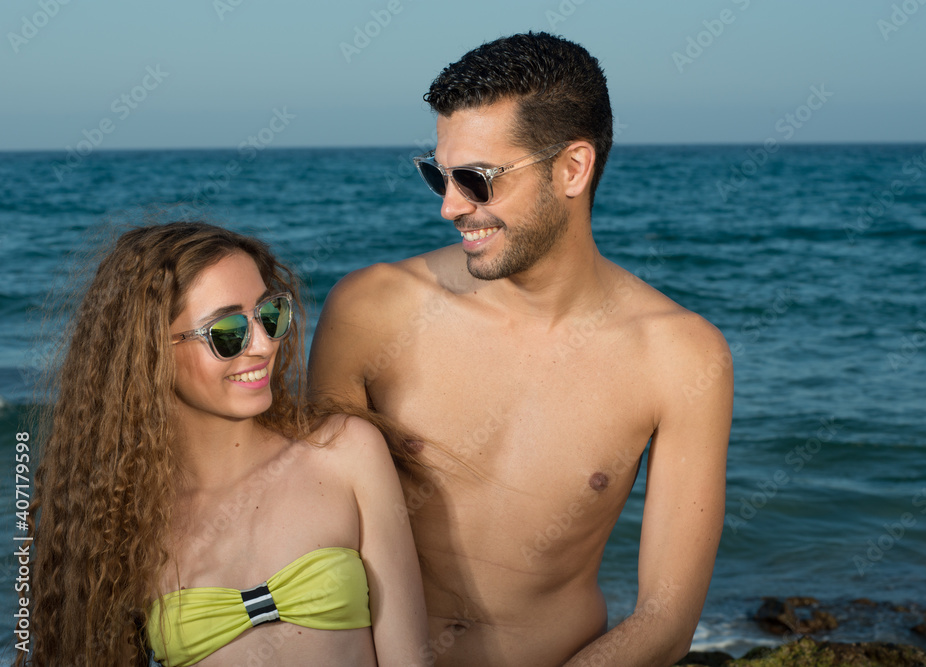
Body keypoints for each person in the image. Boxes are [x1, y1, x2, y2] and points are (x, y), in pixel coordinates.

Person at [308, 31, 733, 666]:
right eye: (437, 175)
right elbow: (311, 544)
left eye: (477, 180)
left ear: (572, 169)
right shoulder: (371, 310)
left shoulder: (679, 357)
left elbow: (666, 619)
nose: (451, 207)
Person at [23, 222, 427, 666]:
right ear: (149, 352)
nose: (263, 344)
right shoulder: (121, 520)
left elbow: (409, 657)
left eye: (270, 314)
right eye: (227, 331)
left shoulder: (347, 453)